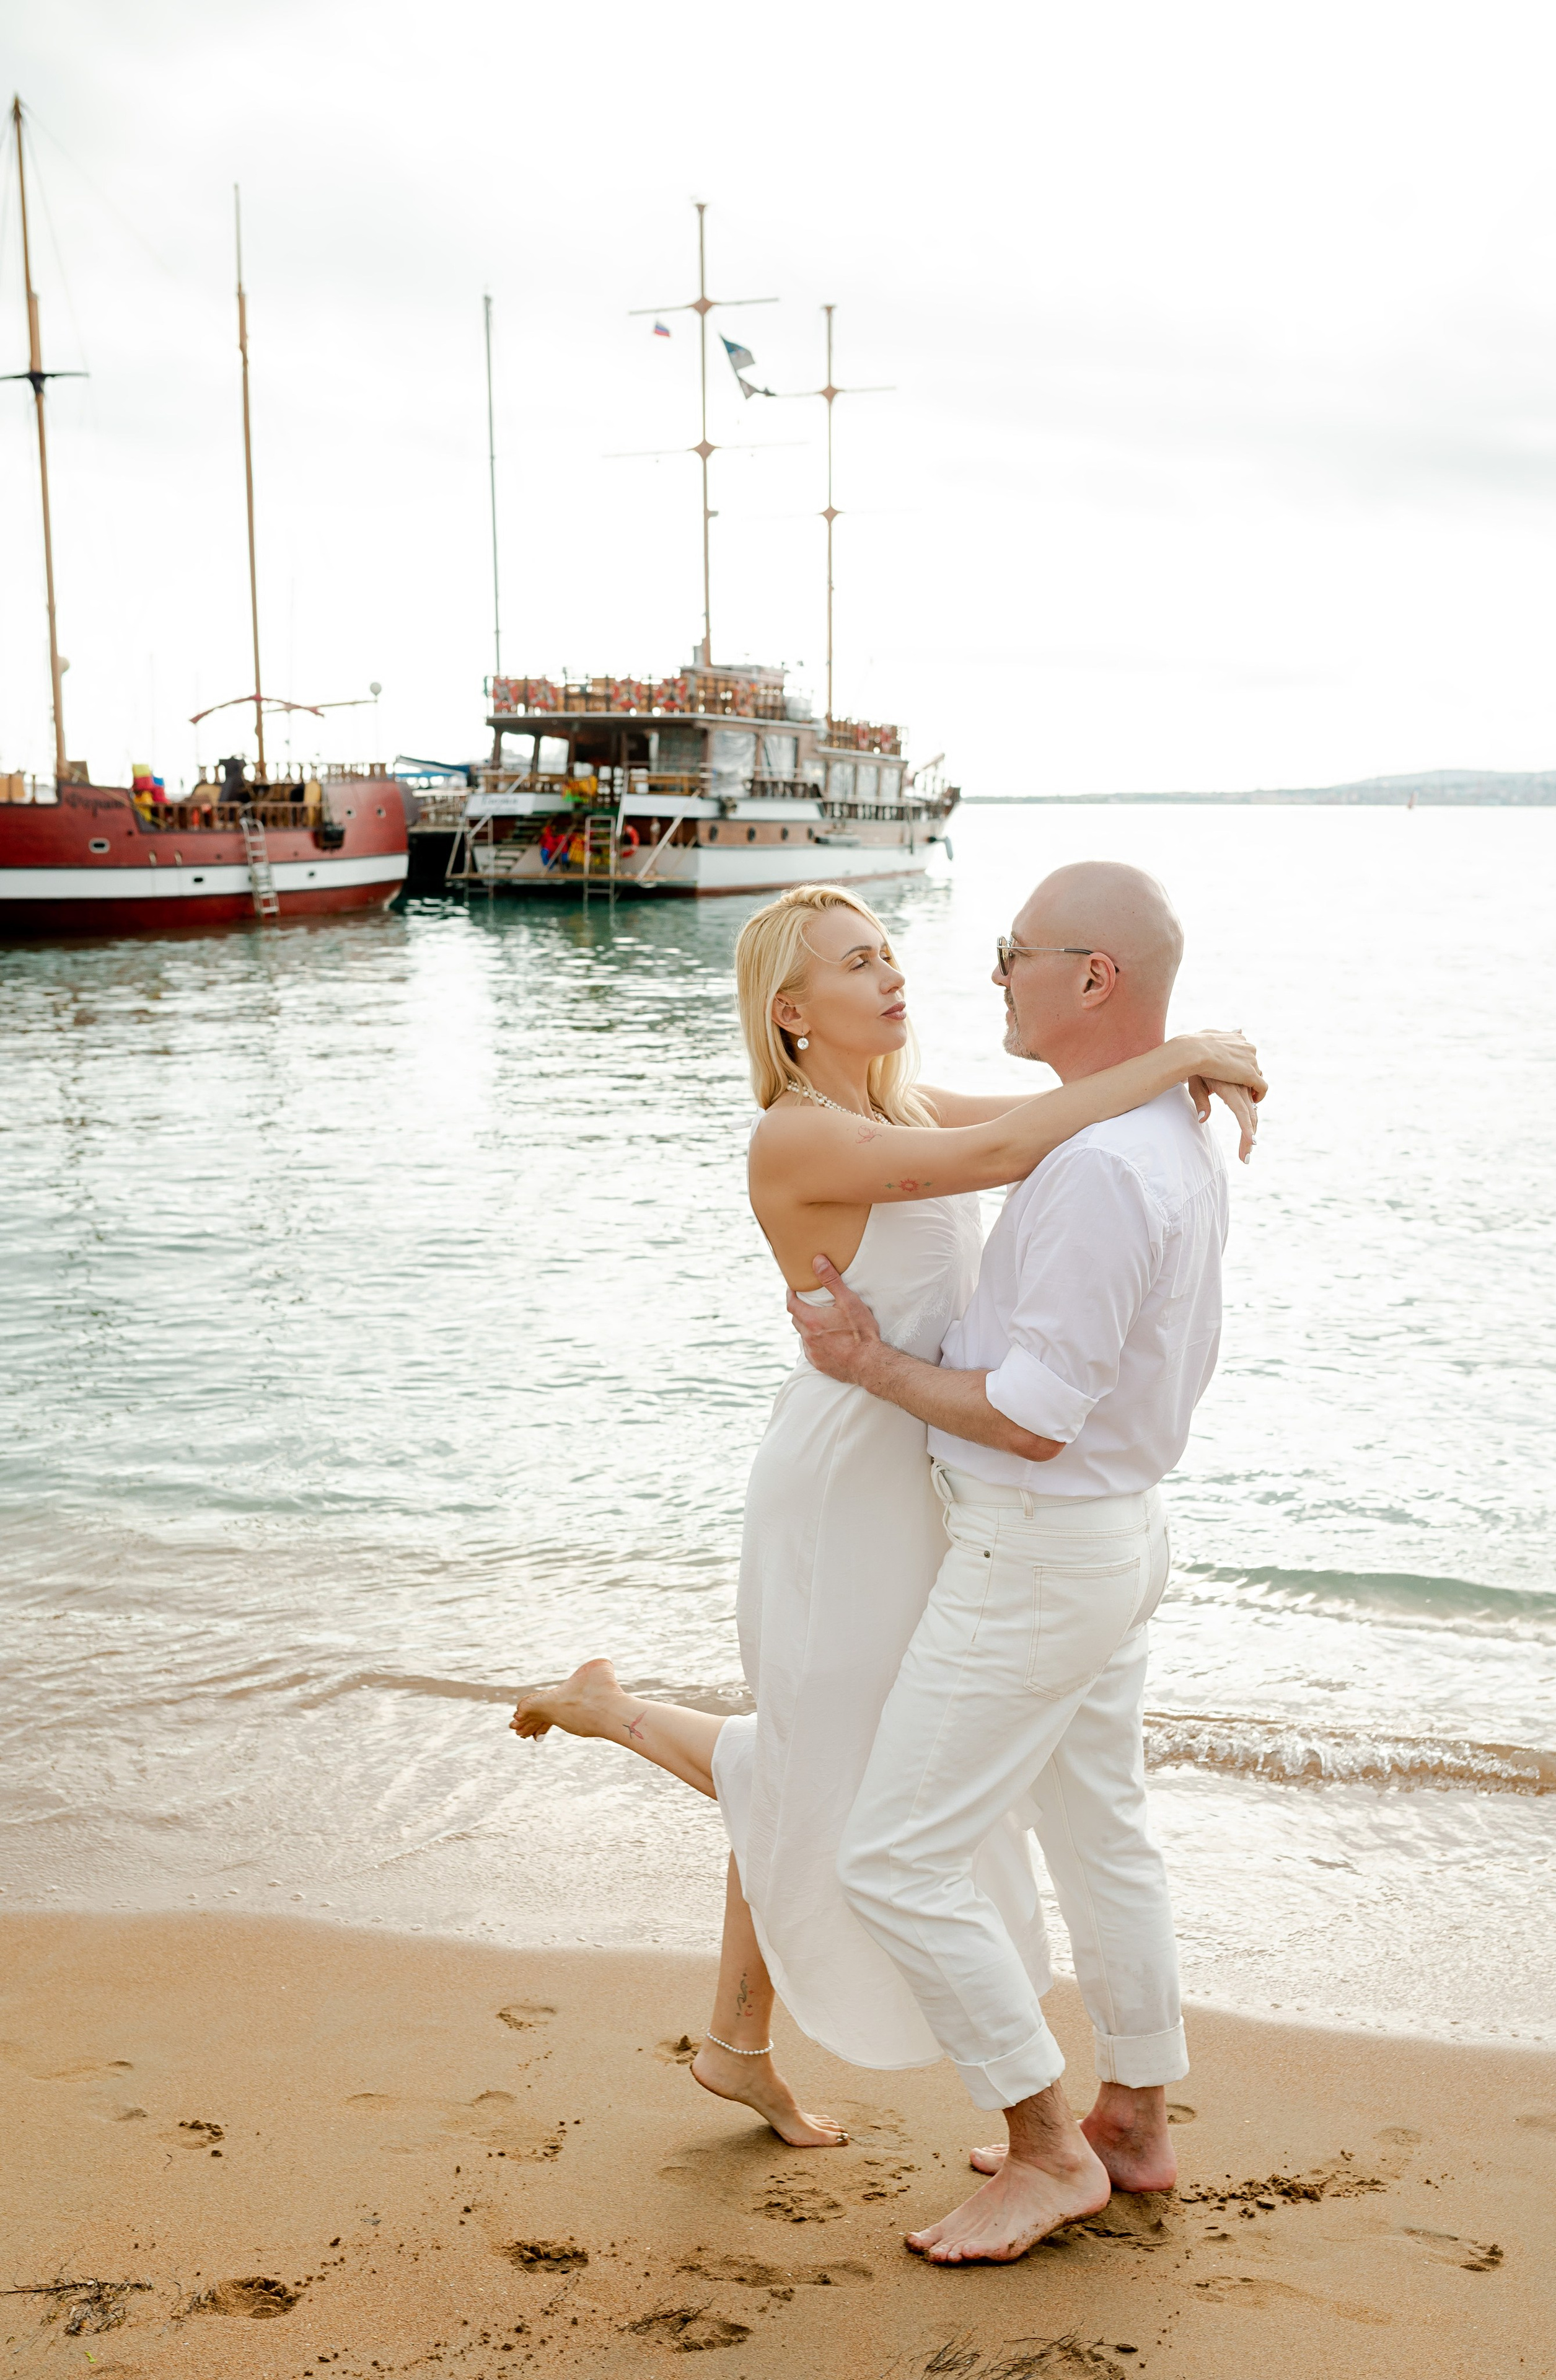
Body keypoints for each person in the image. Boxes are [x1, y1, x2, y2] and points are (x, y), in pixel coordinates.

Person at [509, 879, 1262, 2165]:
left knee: (832, 1762)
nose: (892, 976)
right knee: (822, 1766)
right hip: (843, 1483)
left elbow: (1040, 1118)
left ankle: (735, 2040)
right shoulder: (792, 1139)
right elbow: (1006, 1156)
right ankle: (612, 1718)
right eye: (856, 965)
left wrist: (1154, 1081)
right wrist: (1180, 1052)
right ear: (792, 1013)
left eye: (887, 951)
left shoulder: (895, 1105)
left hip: (929, 1469)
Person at [783, 861, 1236, 2262]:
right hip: (1107, 1540)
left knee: (895, 1858)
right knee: (1101, 1834)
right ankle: (1133, 2120)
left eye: (1012, 952)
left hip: (1038, 1547)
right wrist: (1182, 1051)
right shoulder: (1151, 1127)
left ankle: (1047, 2152)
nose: (986, 973)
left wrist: (870, 1363)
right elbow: (987, 1147)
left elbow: (1030, 1423)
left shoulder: (1098, 1164)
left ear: (1088, 977)